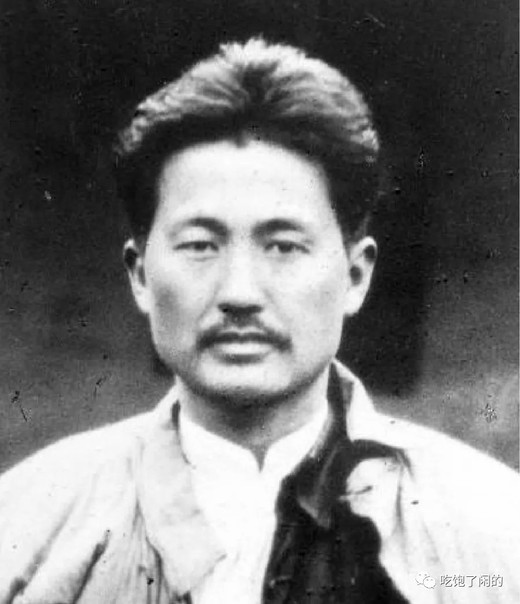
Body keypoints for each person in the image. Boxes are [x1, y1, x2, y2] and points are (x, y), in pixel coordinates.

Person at [0, 38, 518, 604]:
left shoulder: (491, 533)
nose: (239, 293)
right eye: (200, 245)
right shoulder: (25, 525)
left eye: (284, 246)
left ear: (355, 275)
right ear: (140, 274)